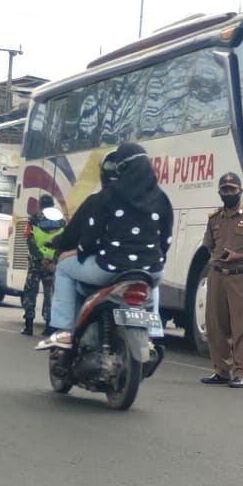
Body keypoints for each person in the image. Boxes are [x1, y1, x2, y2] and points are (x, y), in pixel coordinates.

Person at [37, 142, 173, 350]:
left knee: (64, 268)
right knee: (152, 278)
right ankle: (151, 335)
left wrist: (78, 251)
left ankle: (63, 331)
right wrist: (153, 259)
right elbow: (166, 240)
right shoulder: (162, 199)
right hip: (151, 271)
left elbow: (90, 236)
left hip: (110, 269)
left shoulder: (107, 196)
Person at [200, 173, 243, 388]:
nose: (228, 193)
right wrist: (217, 257)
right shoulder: (215, 218)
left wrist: (238, 256)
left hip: (240, 276)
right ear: (219, 192)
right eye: (225, 190)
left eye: (232, 190)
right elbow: (207, 245)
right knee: (215, 326)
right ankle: (221, 370)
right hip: (217, 275)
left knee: (241, 327)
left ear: (240, 191)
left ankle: (241, 372)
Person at [21, 194, 59, 336]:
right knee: (50, 294)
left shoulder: (33, 220)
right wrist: (52, 260)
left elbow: (30, 241)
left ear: (40, 206)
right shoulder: (60, 222)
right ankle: (48, 326)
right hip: (51, 265)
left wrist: (39, 257)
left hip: (36, 264)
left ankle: (28, 326)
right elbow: (63, 241)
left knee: (30, 292)